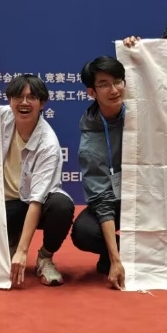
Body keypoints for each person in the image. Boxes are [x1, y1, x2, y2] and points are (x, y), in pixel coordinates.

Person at [1, 74, 73, 288]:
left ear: (42, 103)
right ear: (9, 100)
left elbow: (36, 201)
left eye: (31, 97)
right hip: (4, 206)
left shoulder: (48, 144)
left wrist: (24, 252)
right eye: (18, 97)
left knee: (61, 205)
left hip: (36, 206)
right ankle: (9, 243)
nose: (24, 102)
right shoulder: (0, 118)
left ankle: (44, 257)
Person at [71, 56, 128, 289]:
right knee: (84, 232)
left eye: (118, 81)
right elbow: (102, 200)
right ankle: (122, 253)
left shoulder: (142, 110)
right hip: (117, 200)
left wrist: (135, 49)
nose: (114, 90)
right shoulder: (90, 141)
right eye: (104, 84)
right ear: (92, 92)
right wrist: (115, 260)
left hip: (150, 198)